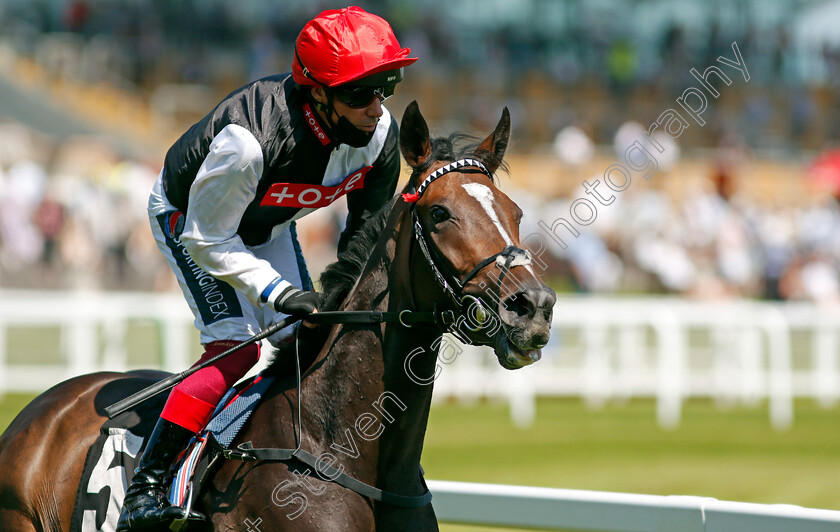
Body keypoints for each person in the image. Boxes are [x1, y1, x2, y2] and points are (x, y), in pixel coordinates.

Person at [117, 6, 417, 530]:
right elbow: (207, 239)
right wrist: (278, 292)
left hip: (266, 226)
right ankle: (148, 484)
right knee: (237, 349)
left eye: (384, 86)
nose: (375, 107)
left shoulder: (379, 136)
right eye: (357, 93)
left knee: (313, 337)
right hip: (193, 221)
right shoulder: (247, 143)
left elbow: (363, 241)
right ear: (318, 93)